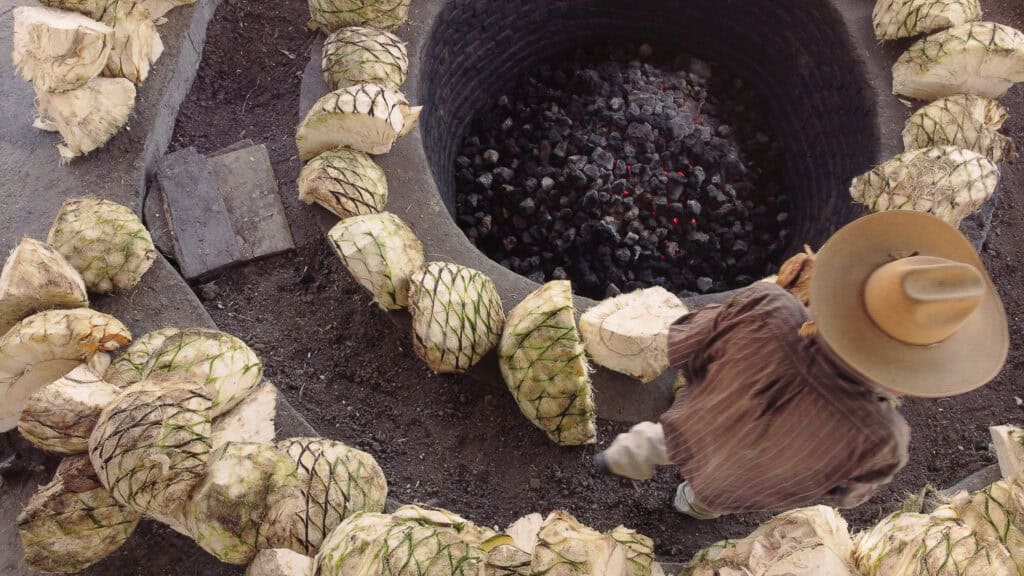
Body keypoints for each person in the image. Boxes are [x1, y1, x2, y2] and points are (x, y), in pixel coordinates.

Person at [594, 210, 1009, 519]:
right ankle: (692, 504)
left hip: (696, 424)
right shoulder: (884, 439)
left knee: (670, 440)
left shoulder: (765, 306)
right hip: (745, 486)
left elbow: (686, 341)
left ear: (838, 295)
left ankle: (632, 453)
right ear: (908, 379)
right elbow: (846, 493)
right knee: (711, 498)